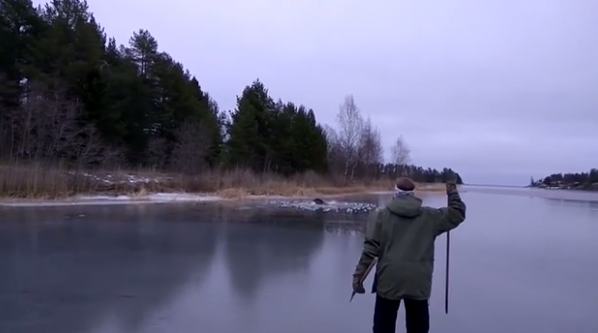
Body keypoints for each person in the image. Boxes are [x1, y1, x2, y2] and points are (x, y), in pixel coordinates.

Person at [351, 177, 466, 333]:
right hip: (418, 281)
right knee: (418, 327)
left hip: (388, 279)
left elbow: (370, 250)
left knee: (383, 326)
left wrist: (358, 277)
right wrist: (452, 191)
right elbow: (457, 213)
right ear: (413, 194)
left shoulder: (380, 215)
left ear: (395, 192)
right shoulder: (430, 216)